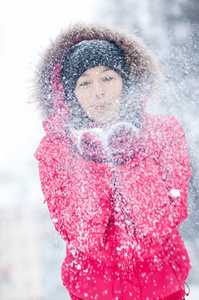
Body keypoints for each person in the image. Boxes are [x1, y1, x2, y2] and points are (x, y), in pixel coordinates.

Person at [34, 23, 192, 300]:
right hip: (94, 293)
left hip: (163, 290)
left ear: (126, 81)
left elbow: (161, 221)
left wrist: (129, 159)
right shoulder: (55, 151)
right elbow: (81, 234)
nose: (98, 92)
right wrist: (92, 162)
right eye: (84, 82)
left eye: (107, 78)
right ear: (70, 95)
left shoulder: (163, 132)